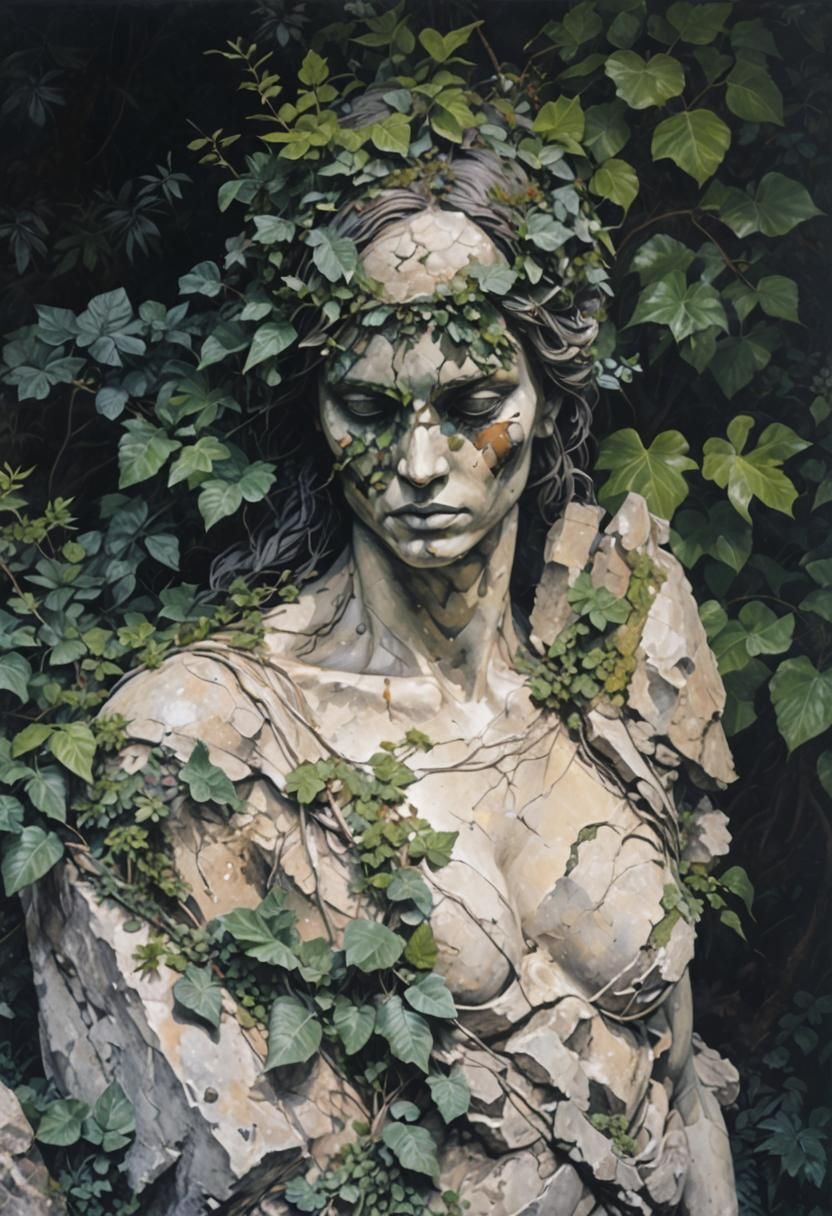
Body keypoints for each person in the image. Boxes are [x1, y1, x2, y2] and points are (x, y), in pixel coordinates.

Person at [25, 144, 739, 1216]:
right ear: (314, 413)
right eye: (366, 406)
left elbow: (683, 1081)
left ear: (545, 395)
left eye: (470, 402)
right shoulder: (206, 736)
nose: (416, 463)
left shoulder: (614, 663)